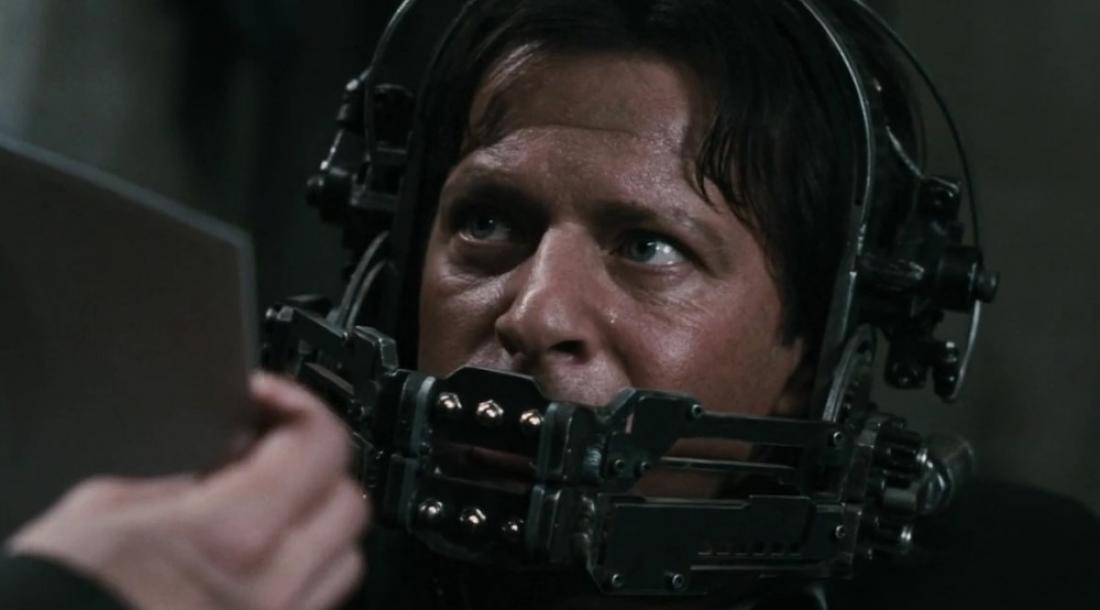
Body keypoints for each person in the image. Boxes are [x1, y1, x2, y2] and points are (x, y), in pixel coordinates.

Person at [4, 1, 1099, 609]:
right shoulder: (247, 578)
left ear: (815, 353)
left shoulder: (1019, 582)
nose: (533, 312)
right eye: (487, 221)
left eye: (648, 246)